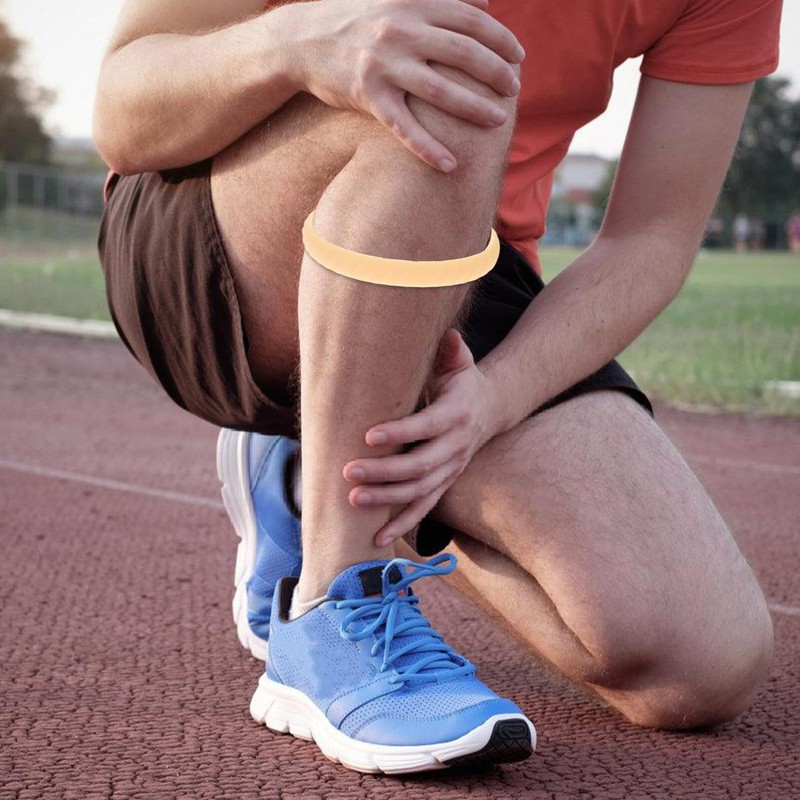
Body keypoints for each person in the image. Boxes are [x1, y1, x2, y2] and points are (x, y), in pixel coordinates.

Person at [94, 0, 781, 775]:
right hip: (210, 228)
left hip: (453, 264)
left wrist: (494, 399)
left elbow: (651, 238)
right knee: (443, 64)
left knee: (700, 663)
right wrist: (299, 42)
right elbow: (121, 108)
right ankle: (332, 602)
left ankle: (311, 465)